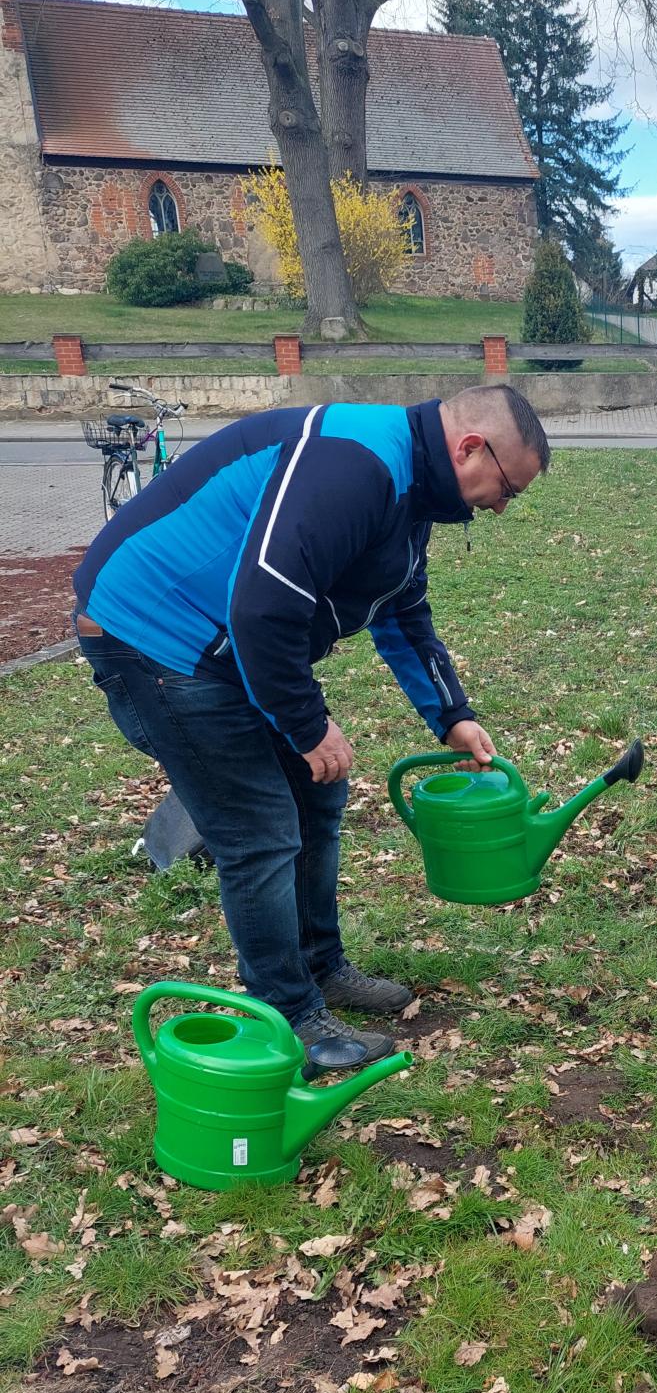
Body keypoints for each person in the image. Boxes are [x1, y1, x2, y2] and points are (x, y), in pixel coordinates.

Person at [73, 387, 550, 1072]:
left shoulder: (409, 484)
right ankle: (289, 1018)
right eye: (507, 488)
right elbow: (263, 604)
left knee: (317, 793)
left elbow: (402, 611)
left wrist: (453, 715)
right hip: (155, 637)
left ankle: (321, 968)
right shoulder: (356, 464)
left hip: (229, 644)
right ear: (470, 448)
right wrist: (306, 726)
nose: (501, 507)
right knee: (259, 829)